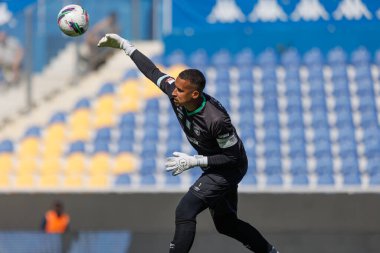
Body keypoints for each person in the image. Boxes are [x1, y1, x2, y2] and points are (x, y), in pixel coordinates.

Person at [98, 34, 279, 253]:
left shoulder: (216, 120)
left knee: (185, 210)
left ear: (194, 94)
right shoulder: (176, 92)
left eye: (180, 90)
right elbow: (153, 72)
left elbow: (232, 157)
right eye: (175, 87)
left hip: (230, 168)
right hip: (215, 164)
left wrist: (196, 161)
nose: (174, 92)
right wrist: (126, 47)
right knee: (226, 224)